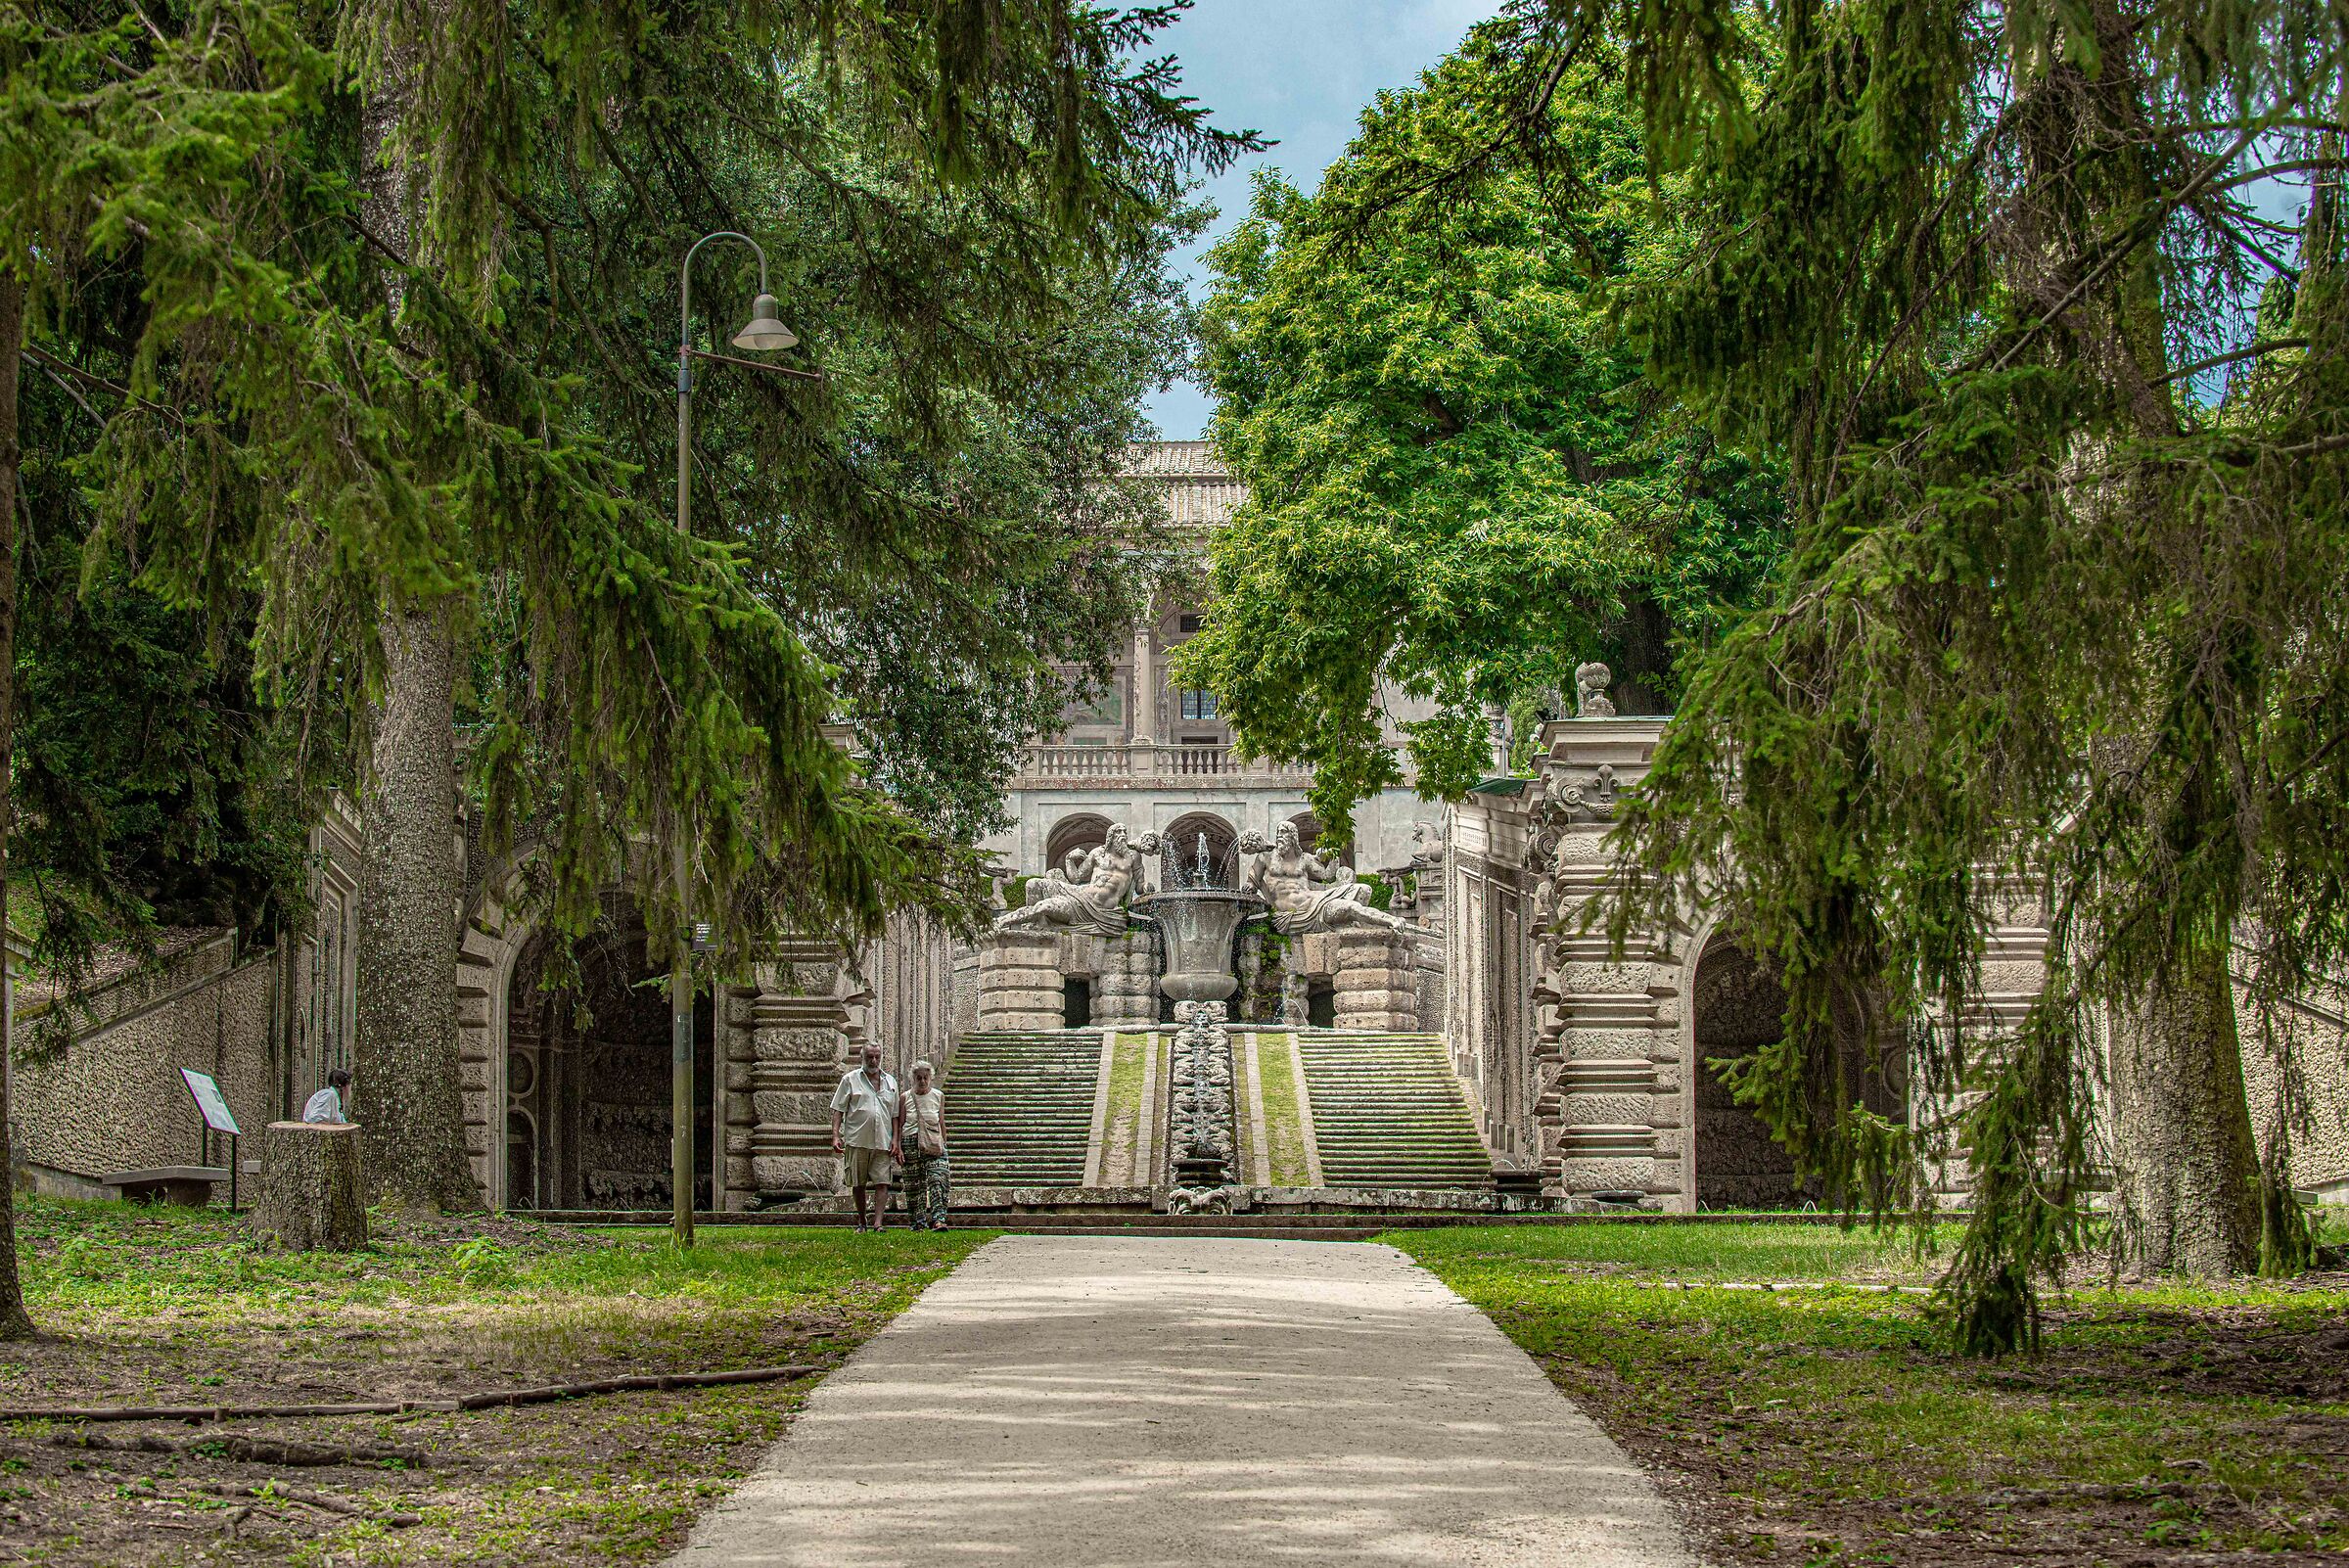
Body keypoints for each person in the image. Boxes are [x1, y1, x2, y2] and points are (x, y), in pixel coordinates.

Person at [829, 1042, 899, 1231]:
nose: (873, 1061)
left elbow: (895, 1115)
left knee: (882, 1182)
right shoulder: (849, 1079)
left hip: (882, 1140)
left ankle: (878, 1223)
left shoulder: (891, 1082)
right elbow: (838, 1110)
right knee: (858, 1183)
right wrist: (835, 1136)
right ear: (862, 1057)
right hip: (857, 1139)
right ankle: (862, 1220)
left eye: (877, 1057)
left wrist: (895, 1140)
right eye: (869, 1057)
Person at [897, 1060, 948, 1231]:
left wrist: (944, 1144)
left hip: (933, 1142)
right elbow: (900, 1124)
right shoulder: (905, 1097)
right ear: (913, 1079)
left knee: (938, 1178)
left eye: (925, 1077)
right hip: (910, 1142)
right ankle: (917, 1222)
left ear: (930, 1078)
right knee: (914, 1185)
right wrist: (898, 1147)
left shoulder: (938, 1096)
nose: (922, 1081)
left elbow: (941, 1122)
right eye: (919, 1078)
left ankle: (938, 1219)